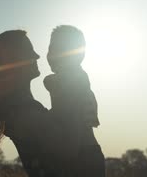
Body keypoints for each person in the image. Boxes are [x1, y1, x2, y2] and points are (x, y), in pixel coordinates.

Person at [0, 30, 79, 177]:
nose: (37, 56)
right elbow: (71, 150)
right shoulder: (22, 114)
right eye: (30, 51)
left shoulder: (22, 109)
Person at [44, 25, 105, 177]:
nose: (51, 54)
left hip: (80, 155)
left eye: (58, 49)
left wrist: (64, 157)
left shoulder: (68, 81)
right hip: (87, 153)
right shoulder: (77, 78)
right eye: (51, 48)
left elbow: (72, 124)